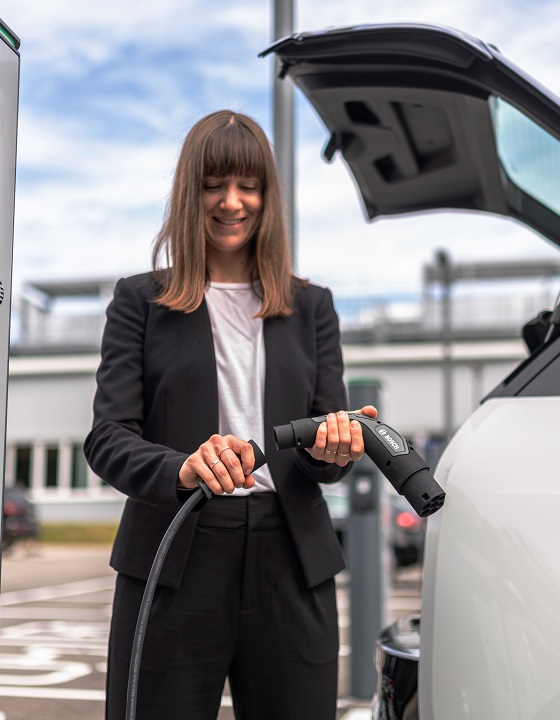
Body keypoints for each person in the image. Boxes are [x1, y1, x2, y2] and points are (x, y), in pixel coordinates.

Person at [84, 109, 375, 720]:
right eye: (214, 185)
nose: (232, 202)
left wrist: (334, 450)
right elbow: (107, 437)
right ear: (189, 194)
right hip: (173, 553)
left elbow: (326, 443)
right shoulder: (140, 301)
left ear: (268, 196)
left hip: (292, 559)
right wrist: (181, 467)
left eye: (248, 185)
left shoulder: (312, 307)